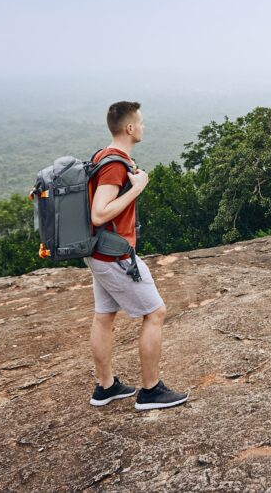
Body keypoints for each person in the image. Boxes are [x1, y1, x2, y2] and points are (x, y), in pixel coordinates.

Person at [84, 100, 188, 410]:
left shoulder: (102, 156)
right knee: (155, 313)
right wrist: (137, 188)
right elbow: (99, 214)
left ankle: (106, 388)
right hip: (114, 255)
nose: (143, 127)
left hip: (99, 253)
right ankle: (150, 391)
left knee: (104, 317)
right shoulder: (115, 164)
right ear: (130, 128)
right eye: (140, 123)